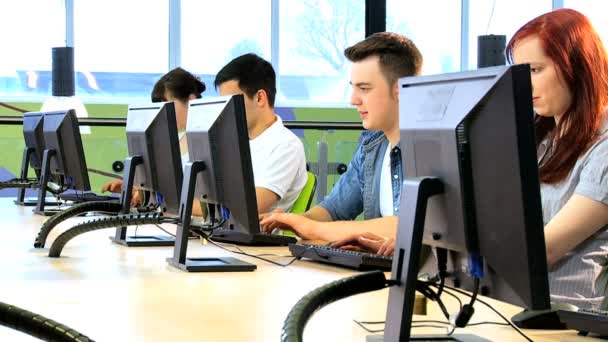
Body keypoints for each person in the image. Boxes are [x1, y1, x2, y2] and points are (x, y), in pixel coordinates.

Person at [259, 32, 422, 252]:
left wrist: (310, 228)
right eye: (353, 87)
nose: (353, 99)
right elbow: (333, 210)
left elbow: (408, 227)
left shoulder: (430, 149)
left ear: (401, 89)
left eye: (364, 89)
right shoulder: (371, 146)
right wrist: (293, 220)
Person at [507, 8, 608, 310]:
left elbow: (545, 248)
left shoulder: (603, 146)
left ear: (576, 67)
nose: (524, 84)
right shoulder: (544, 139)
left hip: (563, 318)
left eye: (535, 70)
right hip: (513, 305)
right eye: (520, 73)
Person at [214, 53, 308, 213]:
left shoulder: (286, 146)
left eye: (231, 102)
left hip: (255, 236)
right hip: (221, 232)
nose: (225, 111)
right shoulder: (236, 142)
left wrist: (184, 205)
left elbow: (249, 207)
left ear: (259, 98)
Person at [101, 67, 205, 204]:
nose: (163, 113)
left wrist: (159, 199)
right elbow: (168, 190)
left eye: (167, 105)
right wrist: (133, 190)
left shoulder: (208, 144)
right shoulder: (176, 141)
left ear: (191, 100)